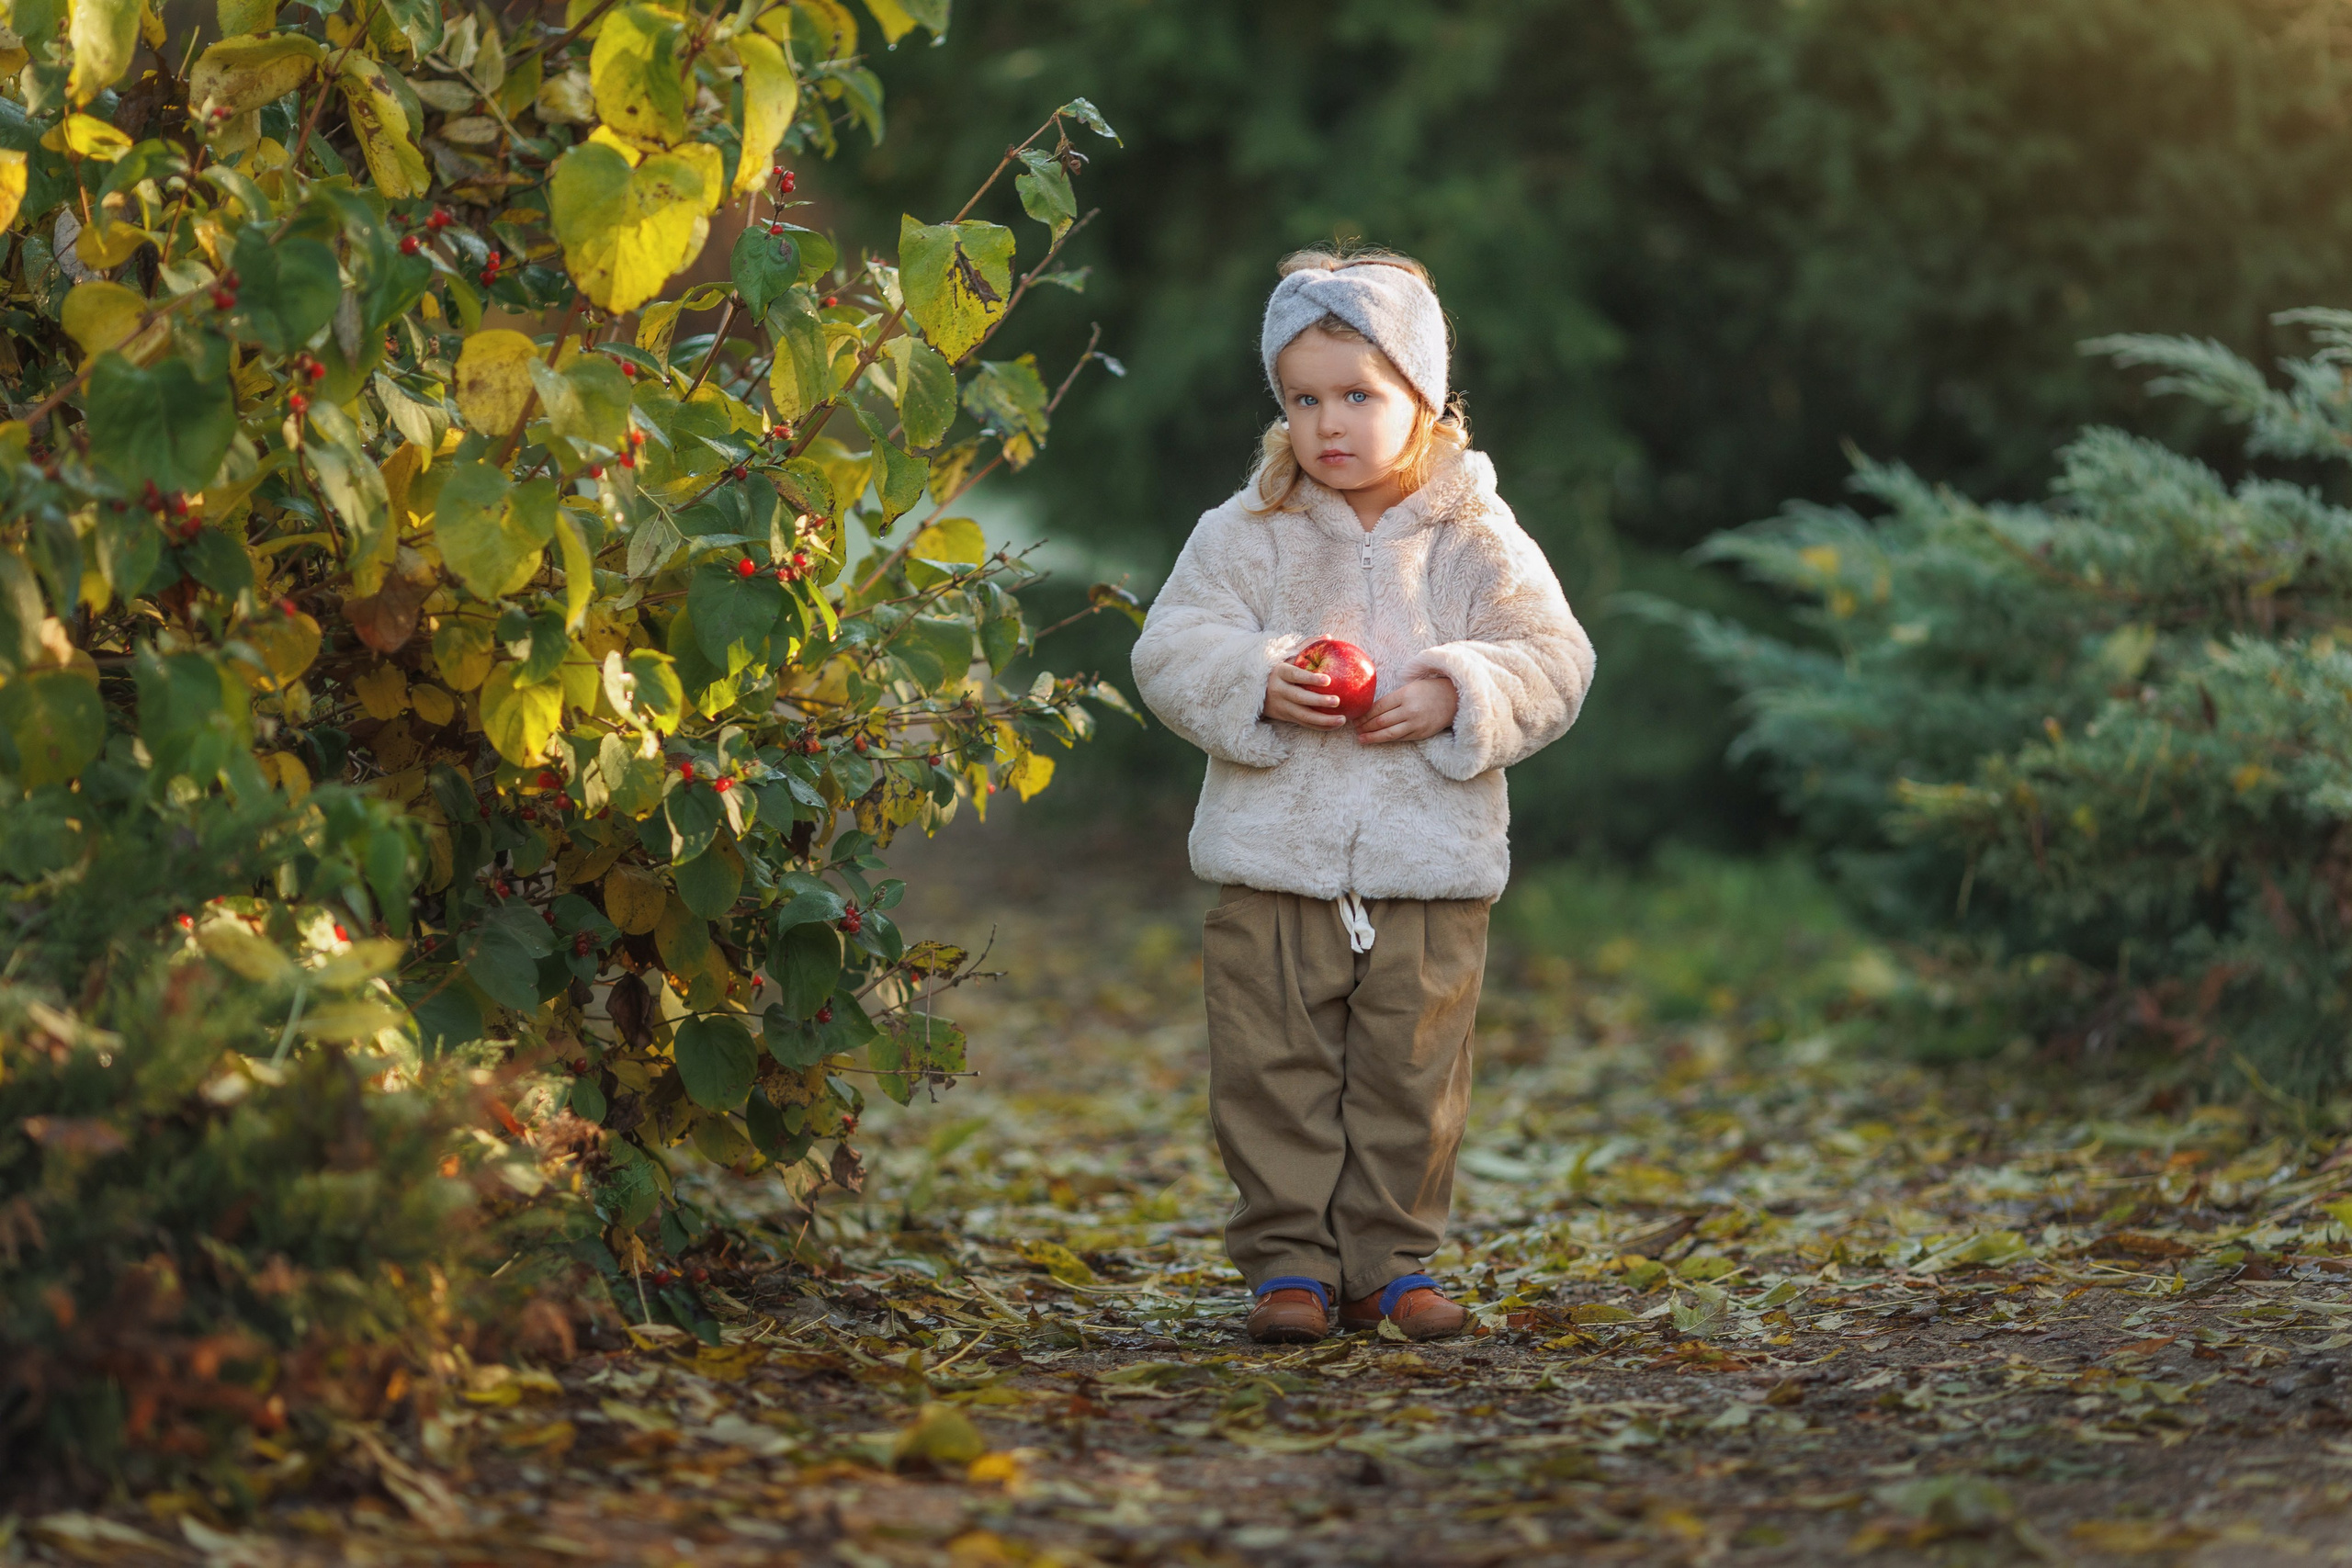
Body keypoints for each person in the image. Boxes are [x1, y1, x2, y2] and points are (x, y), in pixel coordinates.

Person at [1130, 249, 1596, 1343]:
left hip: (1429, 868)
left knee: (1411, 1071)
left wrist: (1456, 690)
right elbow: (1169, 649)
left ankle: (1389, 1263)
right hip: (1271, 861)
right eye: (1303, 398)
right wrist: (1257, 675)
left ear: (1424, 400)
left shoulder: (1475, 537)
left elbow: (1554, 659)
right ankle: (1288, 1262)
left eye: (1358, 395)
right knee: (1269, 1067)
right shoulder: (1245, 533)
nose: (1327, 423)